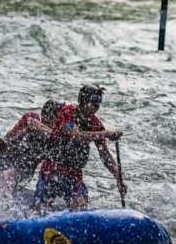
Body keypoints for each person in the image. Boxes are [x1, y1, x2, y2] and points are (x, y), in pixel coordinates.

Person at [33, 84, 126, 212]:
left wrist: (118, 177)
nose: (96, 107)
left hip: (74, 176)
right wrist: (106, 134)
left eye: (98, 104)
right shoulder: (67, 113)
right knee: (40, 210)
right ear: (82, 101)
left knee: (80, 204)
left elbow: (105, 155)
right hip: (51, 172)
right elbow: (76, 135)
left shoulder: (96, 124)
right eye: (92, 103)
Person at [0, 99, 66, 192]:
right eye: (61, 119)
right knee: (6, 175)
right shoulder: (31, 117)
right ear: (49, 117)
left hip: (22, 171)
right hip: (1, 157)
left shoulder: (54, 141)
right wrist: (60, 135)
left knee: (9, 175)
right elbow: (33, 125)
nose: (63, 123)